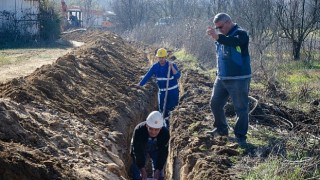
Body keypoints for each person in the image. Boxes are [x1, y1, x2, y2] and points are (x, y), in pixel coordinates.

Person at [206, 13, 251, 146]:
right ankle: (221, 129)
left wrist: (218, 37)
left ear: (228, 22)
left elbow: (234, 42)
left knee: (241, 108)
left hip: (239, 78)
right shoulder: (221, 37)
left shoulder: (241, 34)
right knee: (215, 104)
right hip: (222, 78)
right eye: (217, 28)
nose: (219, 30)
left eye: (220, 27)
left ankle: (240, 136)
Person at [138, 48, 180, 127]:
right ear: (157, 58)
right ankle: (163, 126)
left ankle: (170, 126)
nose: (161, 59)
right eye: (160, 57)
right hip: (162, 92)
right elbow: (147, 76)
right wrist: (139, 85)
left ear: (165, 57)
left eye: (163, 57)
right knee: (162, 110)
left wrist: (172, 68)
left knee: (172, 109)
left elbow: (177, 76)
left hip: (173, 92)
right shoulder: (155, 66)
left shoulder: (172, 65)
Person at [130, 111, 170, 180]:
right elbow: (137, 151)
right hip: (142, 148)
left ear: (160, 128)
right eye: (150, 128)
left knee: (159, 175)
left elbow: (163, 152)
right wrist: (142, 168)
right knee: (137, 174)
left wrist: (158, 169)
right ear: (146, 125)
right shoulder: (139, 130)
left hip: (157, 149)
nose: (153, 132)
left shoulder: (165, 133)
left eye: (156, 130)